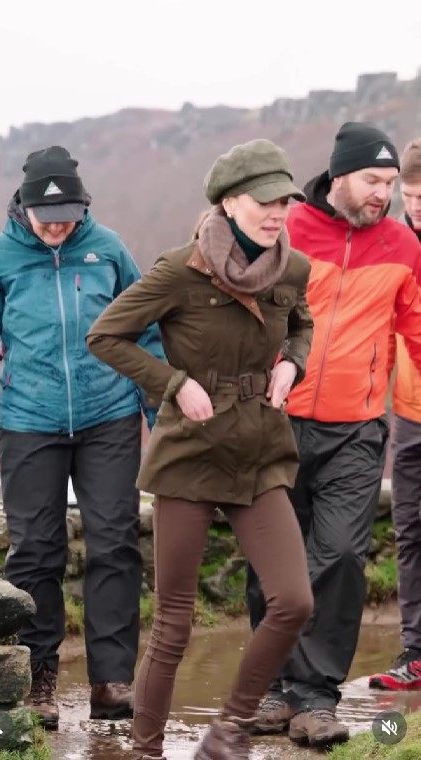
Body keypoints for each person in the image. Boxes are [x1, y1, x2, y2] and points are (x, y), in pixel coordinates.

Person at [87, 138, 314, 760]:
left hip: (260, 450)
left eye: (285, 202)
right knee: (174, 621)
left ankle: (229, 730)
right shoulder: (178, 271)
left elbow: (302, 323)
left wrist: (292, 363)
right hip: (189, 453)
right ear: (230, 202)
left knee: (293, 601)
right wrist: (173, 383)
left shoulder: (292, 268)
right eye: (265, 202)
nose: (278, 214)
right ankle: (146, 749)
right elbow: (106, 335)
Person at [0, 146, 164, 729]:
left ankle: (111, 681)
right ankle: (38, 679)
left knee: (115, 542)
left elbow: (146, 333)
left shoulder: (109, 250)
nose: (57, 226)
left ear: (83, 207)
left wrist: (161, 415)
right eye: (46, 216)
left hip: (109, 416)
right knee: (35, 551)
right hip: (29, 421)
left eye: (68, 216)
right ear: (23, 207)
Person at [246, 122, 421, 747]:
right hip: (278, 420)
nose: (383, 194)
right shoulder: (289, 229)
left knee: (341, 555)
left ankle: (315, 696)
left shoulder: (402, 244)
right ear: (340, 175)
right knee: (273, 559)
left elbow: (417, 328)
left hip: (357, 428)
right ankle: (272, 688)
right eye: (373, 180)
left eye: (390, 183)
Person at [369, 138, 421, 690]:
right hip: (408, 411)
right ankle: (416, 654)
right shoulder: (393, 244)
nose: (416, 206)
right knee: (409, 533)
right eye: (409, 195)